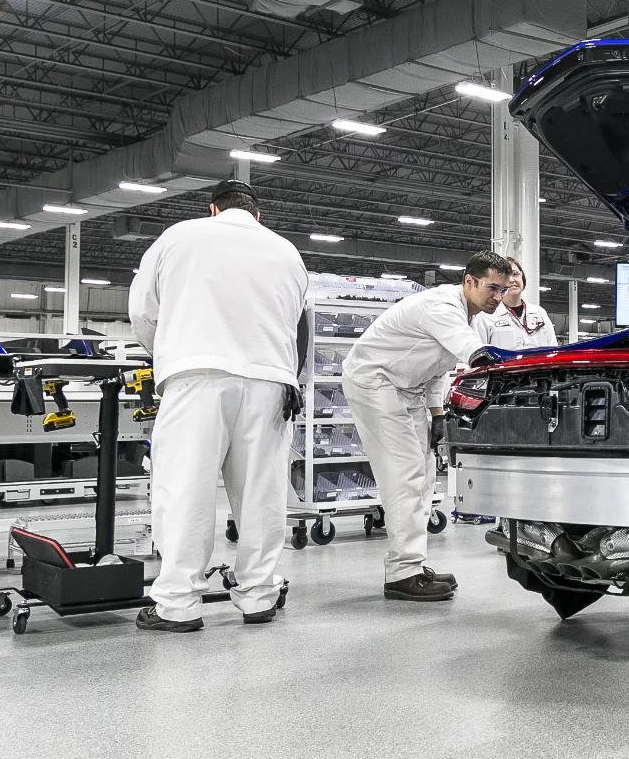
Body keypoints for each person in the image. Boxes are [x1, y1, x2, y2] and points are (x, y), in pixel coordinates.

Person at [128, 179, 308, 633]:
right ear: (257, 214)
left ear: (212, 209)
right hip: (271, 381)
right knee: (261, 495)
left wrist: (170, 353)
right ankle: (259, 595)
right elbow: (296, 320)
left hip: (198, 376)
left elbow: (143, 311)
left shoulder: (179, 236)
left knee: (186, 488)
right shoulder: (287, 251)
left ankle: (177, 604)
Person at [342, 250, 511, 600]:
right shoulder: (443, 306)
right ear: (469, 281)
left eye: (503, 290)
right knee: (404, 474)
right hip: (375, 382)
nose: (499, 297)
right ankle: (402, 573)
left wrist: (437, 417)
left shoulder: (474, 316)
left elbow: (438, 369)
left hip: (409, 388)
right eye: (492, 289)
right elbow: (473, 353)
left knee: (425, 474)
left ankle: (412, 565)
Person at [472, 256, 559, 351]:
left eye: (515, 274)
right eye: (506, 276)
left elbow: (553, 349)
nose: (512, 280)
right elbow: (480, 354)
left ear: (522, 277)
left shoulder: (539, 313)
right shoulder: (485, 316)